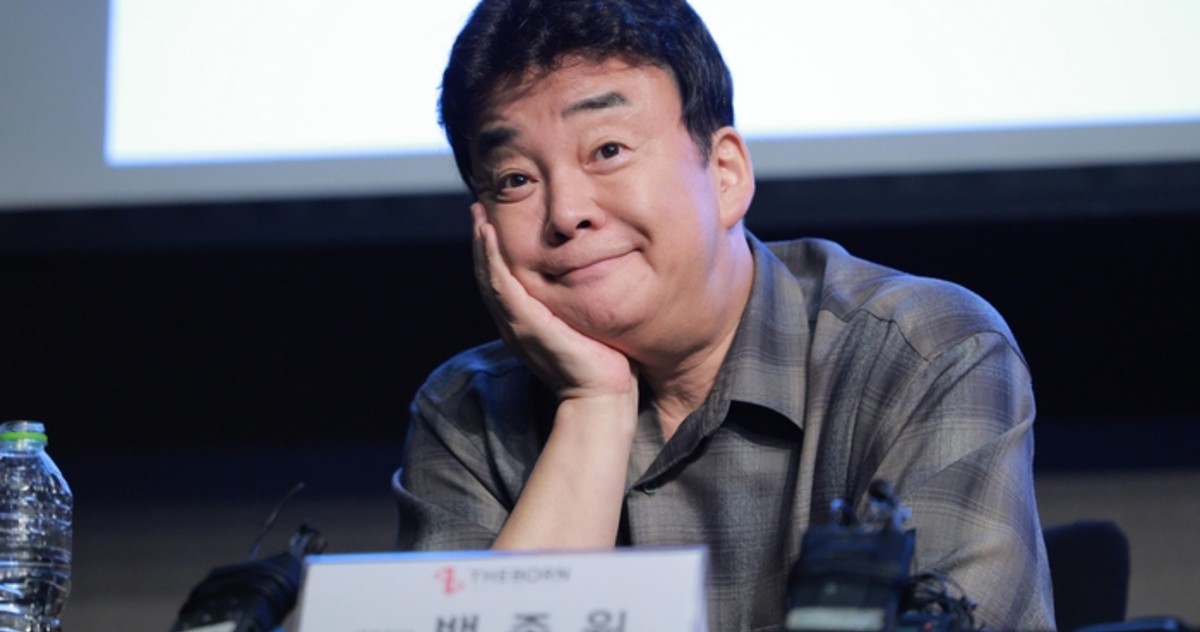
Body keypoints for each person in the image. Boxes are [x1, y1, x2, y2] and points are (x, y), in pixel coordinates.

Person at [393, 0, 1056, 629]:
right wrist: (593, 405)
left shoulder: (924, 351)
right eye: (515, 180)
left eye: (608, 151)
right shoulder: (467, 414)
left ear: (725, 174)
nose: (565, 212)